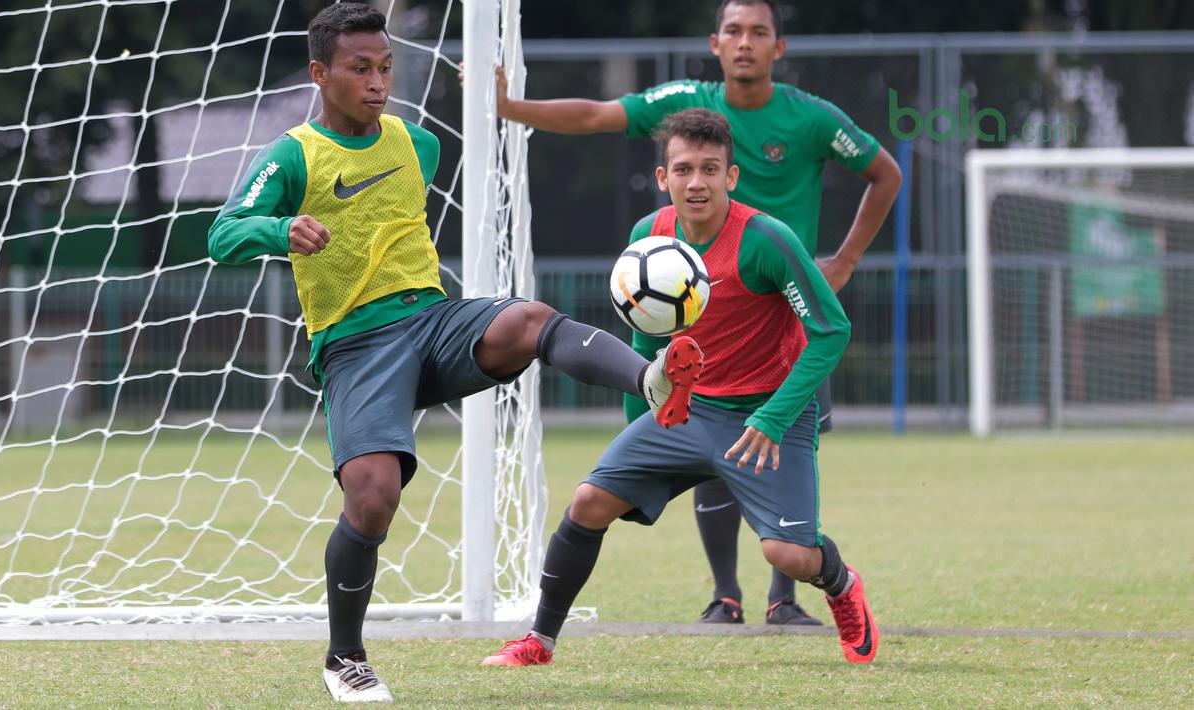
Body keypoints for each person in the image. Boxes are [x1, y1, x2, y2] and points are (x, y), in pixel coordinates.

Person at [206, 4, 704, 703]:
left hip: (433, 319)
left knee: (528, 318)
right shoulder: (293, 155)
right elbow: (222, 235)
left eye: (384, 67)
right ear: (321, 74)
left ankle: (650, 377)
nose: (377, 81)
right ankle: (344, 657)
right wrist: (281, 227)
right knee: (373, 498)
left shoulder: (416, 144)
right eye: (359, 69)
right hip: (354, 344)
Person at [493, 0, 901, 626]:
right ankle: (723, 595)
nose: (745, 43)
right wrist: (513, 109)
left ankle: (789, 595)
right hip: (703, 323)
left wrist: (843, 261)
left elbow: (884, 172)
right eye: (733, 31)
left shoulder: (810, 121)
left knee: (777, 481)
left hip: (783, 317)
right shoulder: (680, 125)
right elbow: (599, 114)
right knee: (670, 453)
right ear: (715, 43)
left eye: (758, 32)